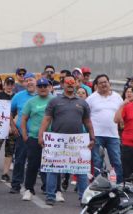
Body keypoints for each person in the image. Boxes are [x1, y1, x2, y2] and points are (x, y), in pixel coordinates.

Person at [38, 74, 95, 206]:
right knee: (53, 169)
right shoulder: (54, 101)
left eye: (72, 82)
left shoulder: (82, 103)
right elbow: (46, 119)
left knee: (81, 171)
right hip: (57, 142)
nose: (70, 84)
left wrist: (92, 136)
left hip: (77, 143)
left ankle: (83, 198)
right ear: (63, 84)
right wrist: (41, 136)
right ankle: (50, 196)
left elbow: (87, 122)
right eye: (67, 82)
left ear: (76, 84)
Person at [86, 74, 124, 184]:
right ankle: (98, 185)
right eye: (101, 83)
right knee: (97, 162)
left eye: (105, 82)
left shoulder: (117, 97)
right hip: (97, 135)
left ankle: (120, 185)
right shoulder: (91, 98)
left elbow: (122, 114)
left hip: (113, 135)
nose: (104, 84)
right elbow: (86, 116)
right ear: (96, 86)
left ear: (109, 83)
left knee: (116, 161)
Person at [21, 78, 53, 201]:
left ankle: (55, 190)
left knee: (53, 165)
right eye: (40, 86)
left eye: (45, 85)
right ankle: (29, 189)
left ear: (49, 87)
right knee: (33, 164)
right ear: (37, 88)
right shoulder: (31, 102)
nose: (43, 88)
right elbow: (23, 118)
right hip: (34, 137)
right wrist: (24, 134)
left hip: (51, 138)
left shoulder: (54, 101)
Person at [9, 73, 38, 194]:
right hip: (22, 134)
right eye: (26, 81)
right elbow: (9, 111)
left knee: (38, 161)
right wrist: (12, 126)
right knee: (19, 160)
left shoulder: (44, 95)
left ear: (36, 81)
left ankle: (44, 186)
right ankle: (16, 184)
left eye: (31, 80)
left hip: (38, 135)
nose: (29, 83)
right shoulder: (18, 96)